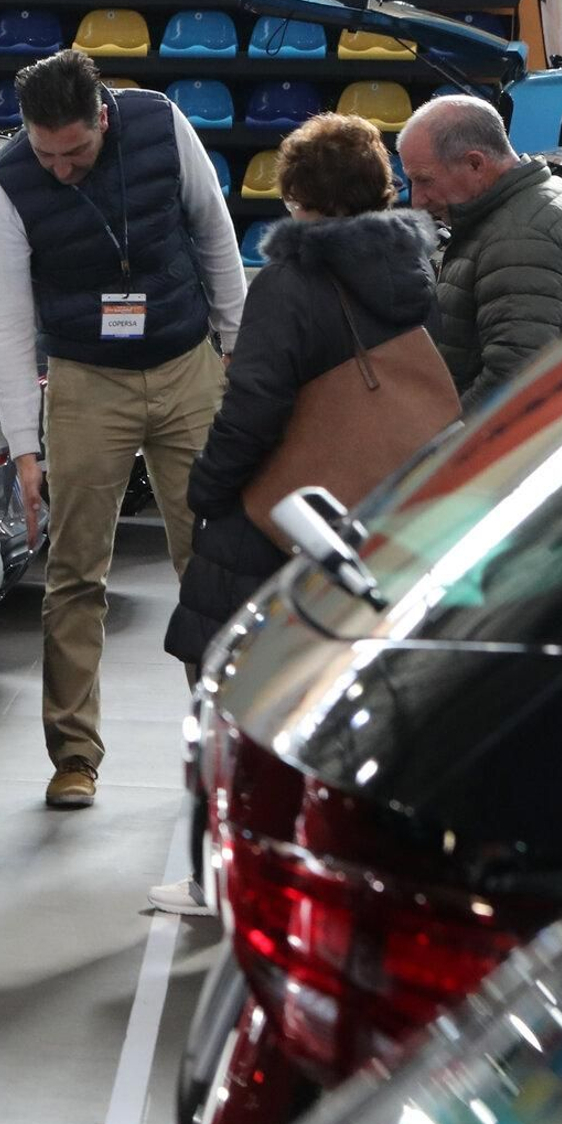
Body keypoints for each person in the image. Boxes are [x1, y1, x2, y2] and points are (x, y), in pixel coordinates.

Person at [153, 113, 441, 916]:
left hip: (274, 522)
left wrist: (207, 487)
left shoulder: (289, 284)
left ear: (296, 192)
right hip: (376, 515)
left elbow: (255, 405)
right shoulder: (415, 272)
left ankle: (225, 877)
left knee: (229, 698)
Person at [0, 50, 245, 810]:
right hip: (86, 381)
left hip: (188, 363)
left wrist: (238, 352)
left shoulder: (162, 124)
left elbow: (216, 237)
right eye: (46, 153)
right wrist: (23, 447)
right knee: (75, 571)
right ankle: (74, 755)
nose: (62, 169)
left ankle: (226, 741)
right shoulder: (8, 185)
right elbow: (7, 323)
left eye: (78, 153)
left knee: (212, 560)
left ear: (103, 116)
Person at [398, 95, 562, 410]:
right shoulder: (539, 198)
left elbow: (513, 380)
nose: (418, 200)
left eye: (425, 180)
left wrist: (439, 449)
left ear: (475, 163)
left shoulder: (519, 237)